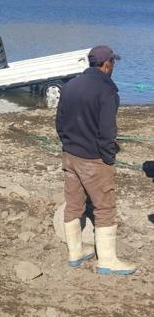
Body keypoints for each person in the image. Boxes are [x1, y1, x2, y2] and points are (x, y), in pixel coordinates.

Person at [56, 44, 136, 275]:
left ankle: (75, 253)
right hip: (93, 159)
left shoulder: (70, 85)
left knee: (73, 205)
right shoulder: (107, 91)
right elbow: (107, 131)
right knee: (104, 208)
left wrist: (68, 144)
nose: (114, 66)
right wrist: (108, 158)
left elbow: (60, 122)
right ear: (107, 63)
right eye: (113, 62)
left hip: (70, 155)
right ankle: (107, 261)